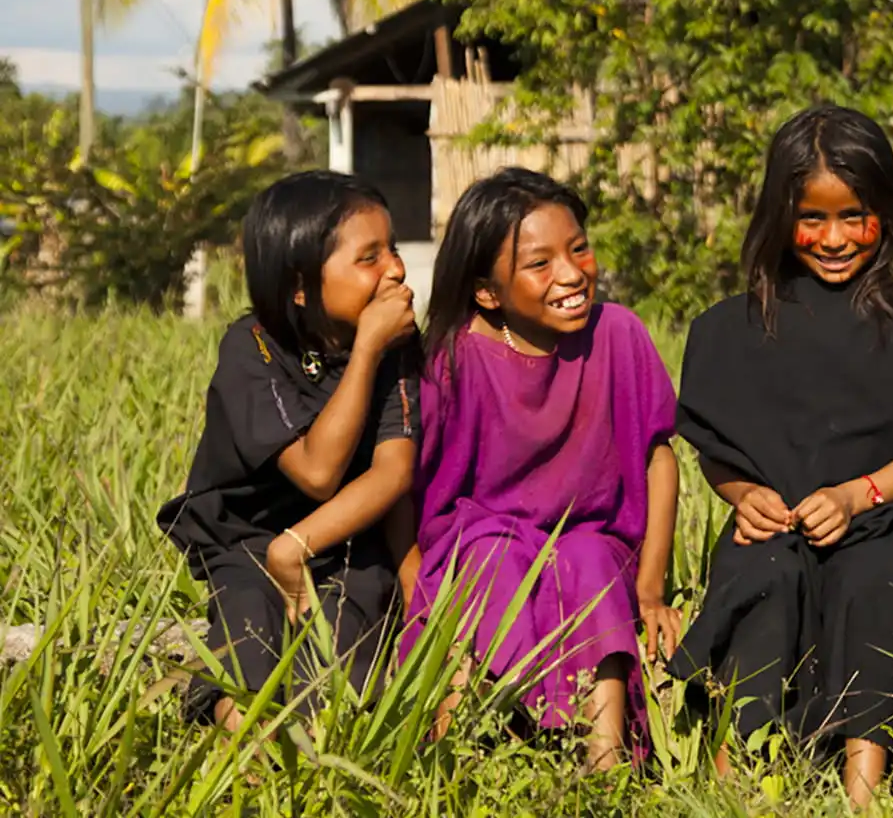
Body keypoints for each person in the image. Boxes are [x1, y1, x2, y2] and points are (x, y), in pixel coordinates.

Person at [667, 105, 893, 810]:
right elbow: (718, 451)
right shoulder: (729, 330)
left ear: (885, 216)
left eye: (853, 217)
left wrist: (859, 494)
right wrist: (743, 496)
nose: (834, 239)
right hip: (771, 527)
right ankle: (737, 771)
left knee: (871, 590)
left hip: (875, 524)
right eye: (813, 218)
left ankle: (864, 787)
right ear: (780, 214)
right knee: (762, 579)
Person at [399, 168, 680, 771]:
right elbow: (410, 489)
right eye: (540, 263)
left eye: (578, 248)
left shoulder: (618, 335)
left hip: (594, 539)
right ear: (487, 292)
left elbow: (660, 454)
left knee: (590, 562)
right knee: (493, 561)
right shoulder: (454, 361)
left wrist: (652, 589)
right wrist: (413, 586)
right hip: (485, 542)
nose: (573, 273)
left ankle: (606, 761)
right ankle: (454, 756)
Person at [158, 171, 421, 729]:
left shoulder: (394, 343)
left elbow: (393, 473)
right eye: (369, 257)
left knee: (343, 643)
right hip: (248, 539)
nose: (395, 269)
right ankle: (244, 755)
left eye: (392, 249)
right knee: (248, 630)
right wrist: (368, 348)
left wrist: (302, 548)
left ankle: (312, 745)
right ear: (300, 286)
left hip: (348, 536)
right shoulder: (251, 347)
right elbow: (318, 470)